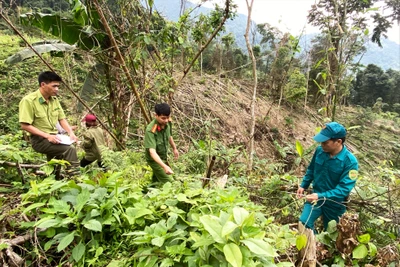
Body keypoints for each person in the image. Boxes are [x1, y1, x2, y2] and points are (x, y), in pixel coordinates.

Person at [296, 122, 359, 231]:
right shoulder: (320, 151)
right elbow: (311, 169)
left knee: (331, 235)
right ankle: (314, 244)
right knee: (304, 222)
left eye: (325, 142)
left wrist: (320, 195)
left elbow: (343, 189)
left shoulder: (350, 162)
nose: (322, 145)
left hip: (334, 204)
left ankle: (321, 245)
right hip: (316, 199)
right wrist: (303, 185)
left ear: (338, 141)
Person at [19, 71, 80, 177]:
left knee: (54, 163)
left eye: (58, 86)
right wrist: (47, 136)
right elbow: (25, 125)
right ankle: (77, 179)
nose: (57, 89)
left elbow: (62, 119)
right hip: (40, 140)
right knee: (70, 150)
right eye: (54, 86)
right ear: (43, 85)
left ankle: (53, 180)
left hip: (55, 137)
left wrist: (70, 133)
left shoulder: (54, 100)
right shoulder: (29, 101)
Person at [144, 103, 179, 184]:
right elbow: (152, 152)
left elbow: (169, 136)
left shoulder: (168, 122)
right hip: (154, 160)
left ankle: (148, 192)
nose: (166, 120)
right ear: (156, 115)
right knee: (170, 183)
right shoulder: (150, 130)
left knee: (157, 182)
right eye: (163, 118)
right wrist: (164, 166)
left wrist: (174, 148)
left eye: (167, 117)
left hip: (163, 156)